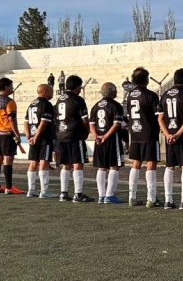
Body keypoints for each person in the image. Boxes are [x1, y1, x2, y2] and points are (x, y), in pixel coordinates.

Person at [158, 69, 183, 209]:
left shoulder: (165, 95)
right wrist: (178, 134)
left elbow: (160, 118)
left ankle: (168, 200)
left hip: (169, 136)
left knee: (170, 167)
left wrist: (167, 134)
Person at [125, 67, 161, 207]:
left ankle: (131, 197)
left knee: (136, 163)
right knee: (151, 163)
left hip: (134, 134)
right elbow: (158, 116)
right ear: (146, 79)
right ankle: (151, 198)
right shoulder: (151, 95)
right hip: (149, 133)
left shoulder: (130, 96)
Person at [54, 74, 92, 202]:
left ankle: (63, 193)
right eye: (80, 87)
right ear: (76, 87)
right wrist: (87, 131)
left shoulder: (59, 99)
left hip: (61, 134)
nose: (81, 89)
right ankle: (78, 194)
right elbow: (85, 119)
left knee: (65, 164)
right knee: (78, 163)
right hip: (74, 134)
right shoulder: (78, 99)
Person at [90, 82, 127, 204]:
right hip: (111, 139)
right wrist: (106, 136)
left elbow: (92, 125)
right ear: (111, 91)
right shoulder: (116, 105)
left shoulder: (95, 106)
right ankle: (109, 195)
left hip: (98, 139)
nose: (116, 92)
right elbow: (116, 124)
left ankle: (101, 196)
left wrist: (97, 136)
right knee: (114, 166)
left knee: (101, 167)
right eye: (115, 89)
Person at [0, 78, 24, 194]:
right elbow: (11, 119)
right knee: (8, 159)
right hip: (6, 134)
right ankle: (9, 187)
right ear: (5, 87)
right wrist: (17, 134)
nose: (12, 88)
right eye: (11, 85)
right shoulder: (9, 102)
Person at [24, 84, 56, 198]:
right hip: (43, 138)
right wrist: (37, 136)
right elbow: (43, 122)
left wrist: (29, 136)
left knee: (33, 163)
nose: (52, 93)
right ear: (46, 91)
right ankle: (44, 191)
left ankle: (31, 190)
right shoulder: (46, 104)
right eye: (51, 90)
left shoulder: (32, 104)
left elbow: (26, 122)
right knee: (44, 162)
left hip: (33, 137)